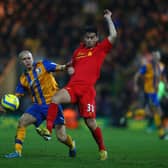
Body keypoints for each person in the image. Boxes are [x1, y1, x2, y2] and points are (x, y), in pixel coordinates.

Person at [43, 9, 117, 161]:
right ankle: (48, 129)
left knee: (90, 123)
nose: (90, 40)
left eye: (92, 37)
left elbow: (114, 36)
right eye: (87, 37)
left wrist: (109, 18)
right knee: (55, 98)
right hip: (73, 87)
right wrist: (70, 68)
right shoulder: (78, 51)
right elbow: (72, 64)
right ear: (84, 38)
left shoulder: (100, 49)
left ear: (97, 38)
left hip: (87, 91)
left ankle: (102, 149)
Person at [4, 50, 76, 158]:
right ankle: (17, 152)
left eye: (29, 58)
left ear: (32, 58)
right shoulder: (23, 79)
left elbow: (60, 67)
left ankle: (71, 145)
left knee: (61, 137)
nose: (27, 61)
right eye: (24, 59)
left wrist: (67, 66)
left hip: (53, 104)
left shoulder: (43, 65)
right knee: (22, 122)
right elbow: (16, 97)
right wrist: (5, 106)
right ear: (21, 62)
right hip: (37, 106)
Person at [134, 51, 168, 139]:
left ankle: (130, 114)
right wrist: (135, 85)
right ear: (152, 57)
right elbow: (137, 75)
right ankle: (161, 133)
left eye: (157, 56)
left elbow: (163, 78)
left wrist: (166, 86)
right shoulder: (147, 66)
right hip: (149, 92)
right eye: (154, 56)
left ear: (159, 57)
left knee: (151, 112)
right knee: (157, 111)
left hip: (156, 92)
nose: (156, 57)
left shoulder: (161, 66)